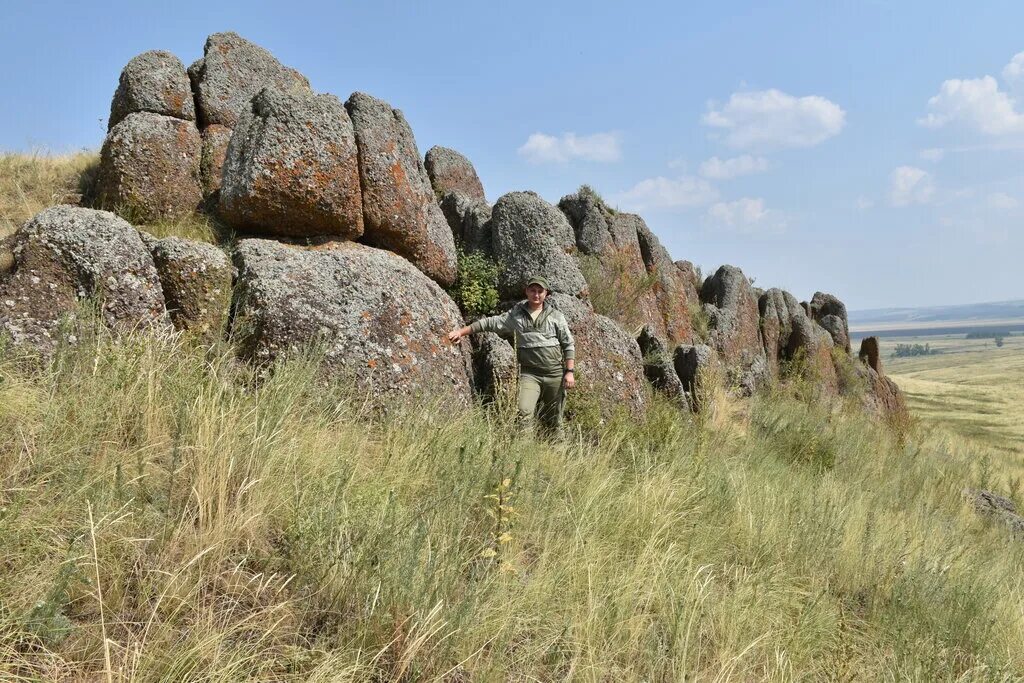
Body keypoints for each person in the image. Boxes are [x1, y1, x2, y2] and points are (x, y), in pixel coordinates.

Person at [448, 275, 575, 436]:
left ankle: (558, 454)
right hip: (529, 375)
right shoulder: (515, 316)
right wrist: (461, 332)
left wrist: (569, 372)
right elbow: (489, 323)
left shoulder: (556, 316)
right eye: (532, 290)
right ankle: (524, 454)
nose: (536, 295)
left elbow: (568, 344)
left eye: (540, 291)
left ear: (546, 294)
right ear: (526, 291)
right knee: (523, 413)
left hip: (555, 374)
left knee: (555, 420)